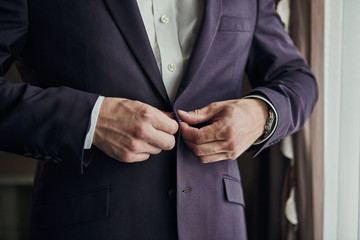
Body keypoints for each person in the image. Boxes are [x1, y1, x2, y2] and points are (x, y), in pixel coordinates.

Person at [0, 0, 318, 239]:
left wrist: (261, 114)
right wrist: (90, 120)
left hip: (217, 225)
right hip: (89, 225)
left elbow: (296, 78)